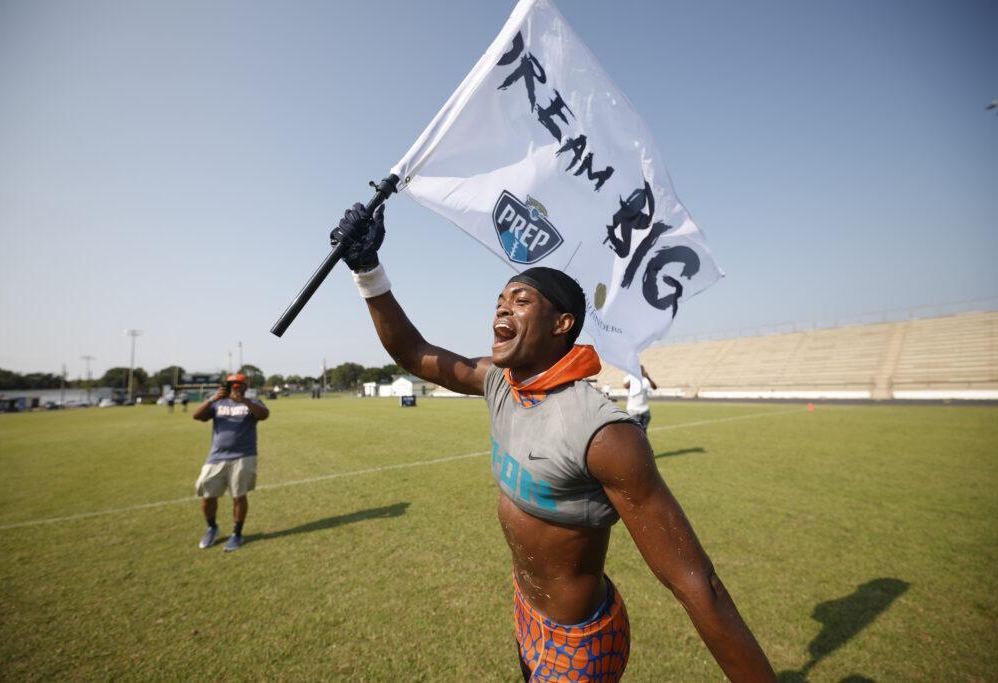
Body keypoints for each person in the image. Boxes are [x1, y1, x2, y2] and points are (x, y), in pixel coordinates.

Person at [331, 205, 775, 681]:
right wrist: (367, 271)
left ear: (562, 324)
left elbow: (697, 583)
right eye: (500, 299)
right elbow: (414, 353)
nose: (502, 307)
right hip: (527, 608)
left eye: (520, 300)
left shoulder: (606, 435)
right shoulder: (500, 380)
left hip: (578, 639)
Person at [192, 372, 269, 552]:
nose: (234, 387)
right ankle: (212, 527)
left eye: (238, 384)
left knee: (239, 496)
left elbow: (264, 415)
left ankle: (237, 533)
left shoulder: (252, 402)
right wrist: (212, 399)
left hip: (244, 456)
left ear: (244, 387)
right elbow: (197, 416)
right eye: (231, 384)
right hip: (216, 457)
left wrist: (244, 401)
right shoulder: (218, 402)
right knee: (208, 495)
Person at [623, 366, 657, 430]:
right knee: (634, 431)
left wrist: (648, 377)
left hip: (645, 410)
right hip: (633, 410)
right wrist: (634, 376)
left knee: (643, 431)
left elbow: (655, 387)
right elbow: (626, 386)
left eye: (642, 370)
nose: (641, 372)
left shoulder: (646, 380)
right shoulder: (629, 377)